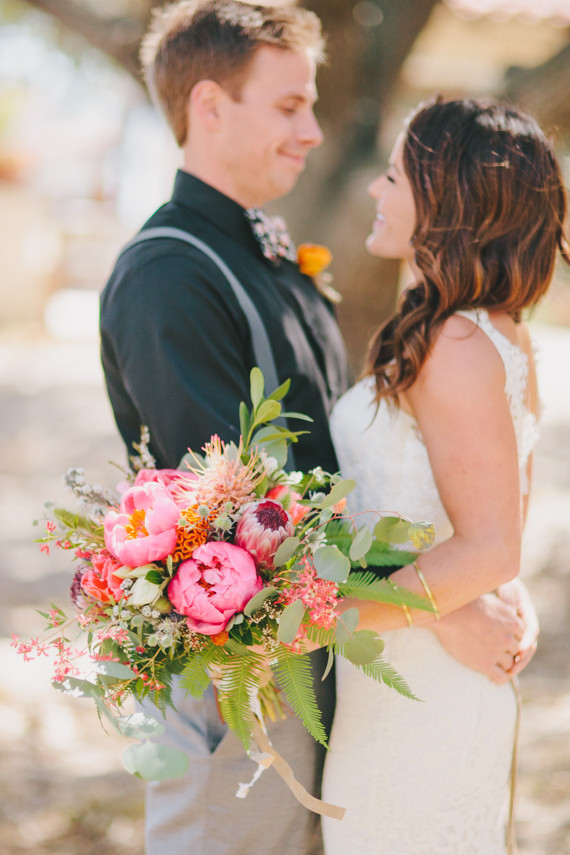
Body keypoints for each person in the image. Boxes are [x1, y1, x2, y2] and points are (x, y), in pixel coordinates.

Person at [99, 3, 538, 851]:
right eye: (289, 105)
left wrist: (472, 574)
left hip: (343, 668)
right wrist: (440, 605)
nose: (312, 130)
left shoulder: (281, 266)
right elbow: (233, 521)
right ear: (210, 106)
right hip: (248, 690)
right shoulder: (169, 276)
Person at [321, 96, 569, 855]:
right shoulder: (493, 333)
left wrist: (320, 607)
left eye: (393, 176)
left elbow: (493, 549)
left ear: (444, 203)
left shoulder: (457, 342)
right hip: (409, 677)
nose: (374, 190)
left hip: (417, 694)